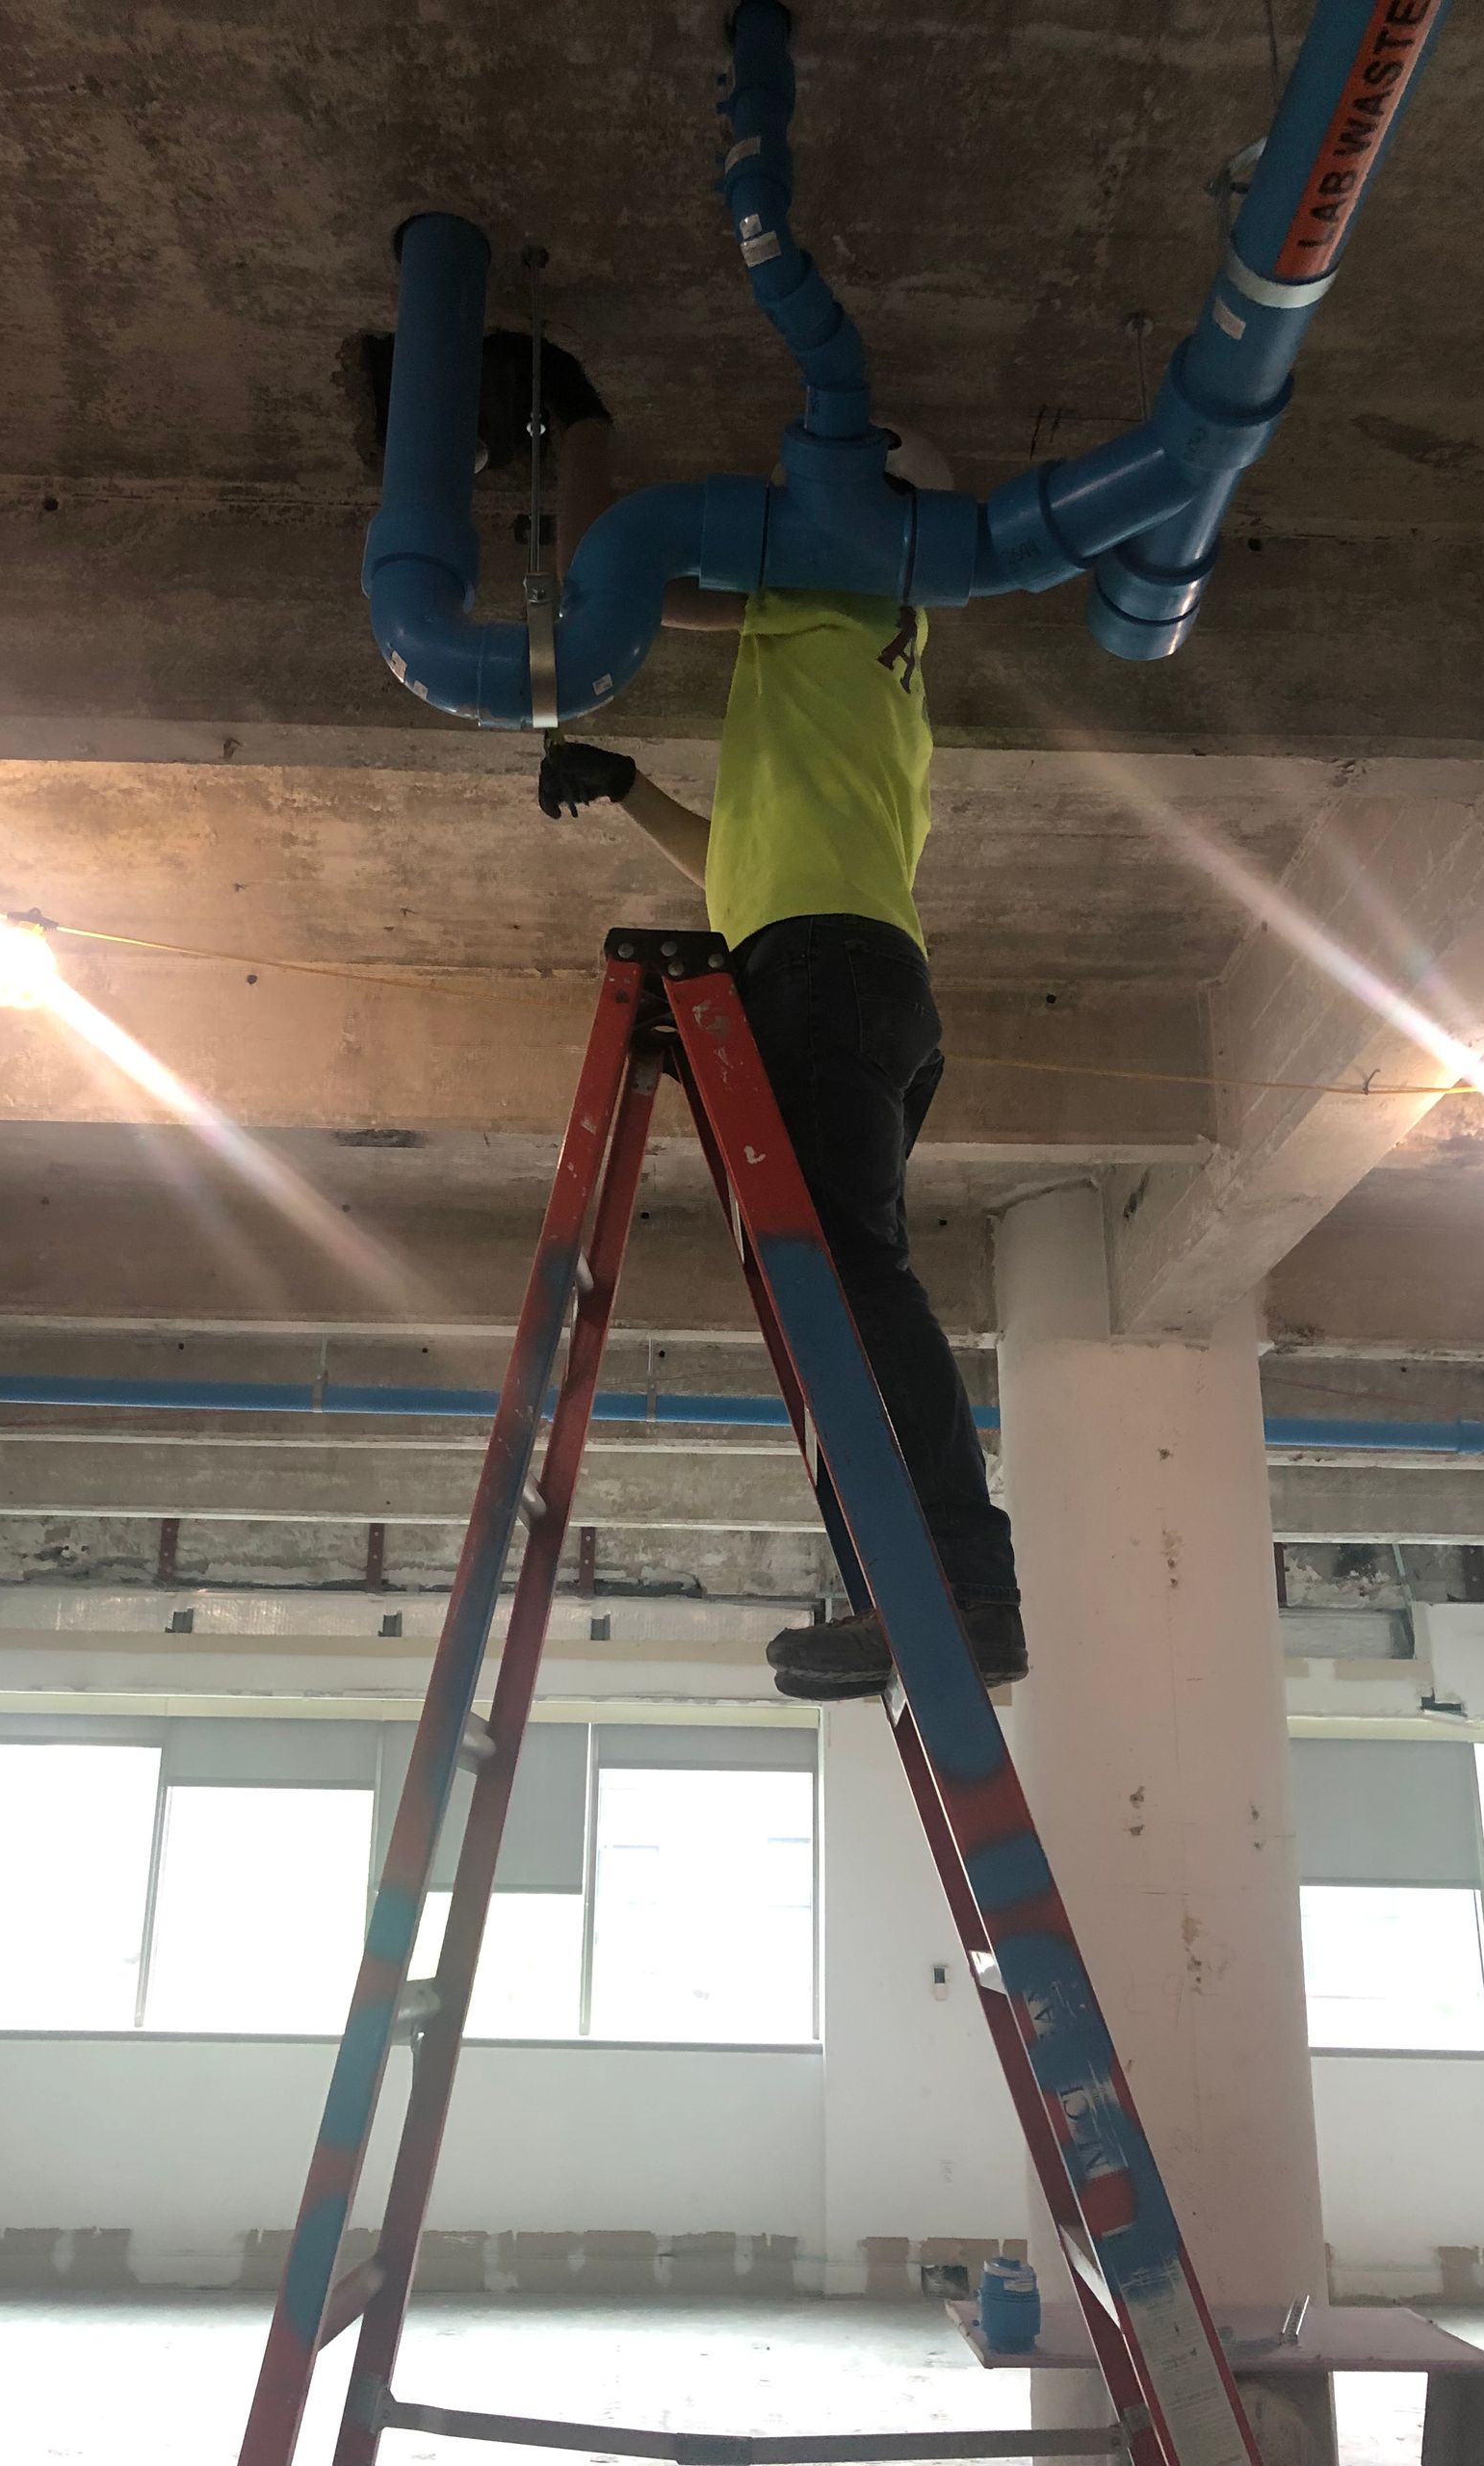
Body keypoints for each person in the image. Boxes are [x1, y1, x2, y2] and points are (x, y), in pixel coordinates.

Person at [513, 345, 1026, 1702]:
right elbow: (747, 876)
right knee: (851, 1296)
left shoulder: (835, 592)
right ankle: (928, 1592)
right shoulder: (864, 666)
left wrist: (584, 429)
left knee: (853, 1291)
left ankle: (962, 1591)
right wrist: (628, 783)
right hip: (852, 974)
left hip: (830, 979)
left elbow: (615, 580)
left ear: (872, 521)